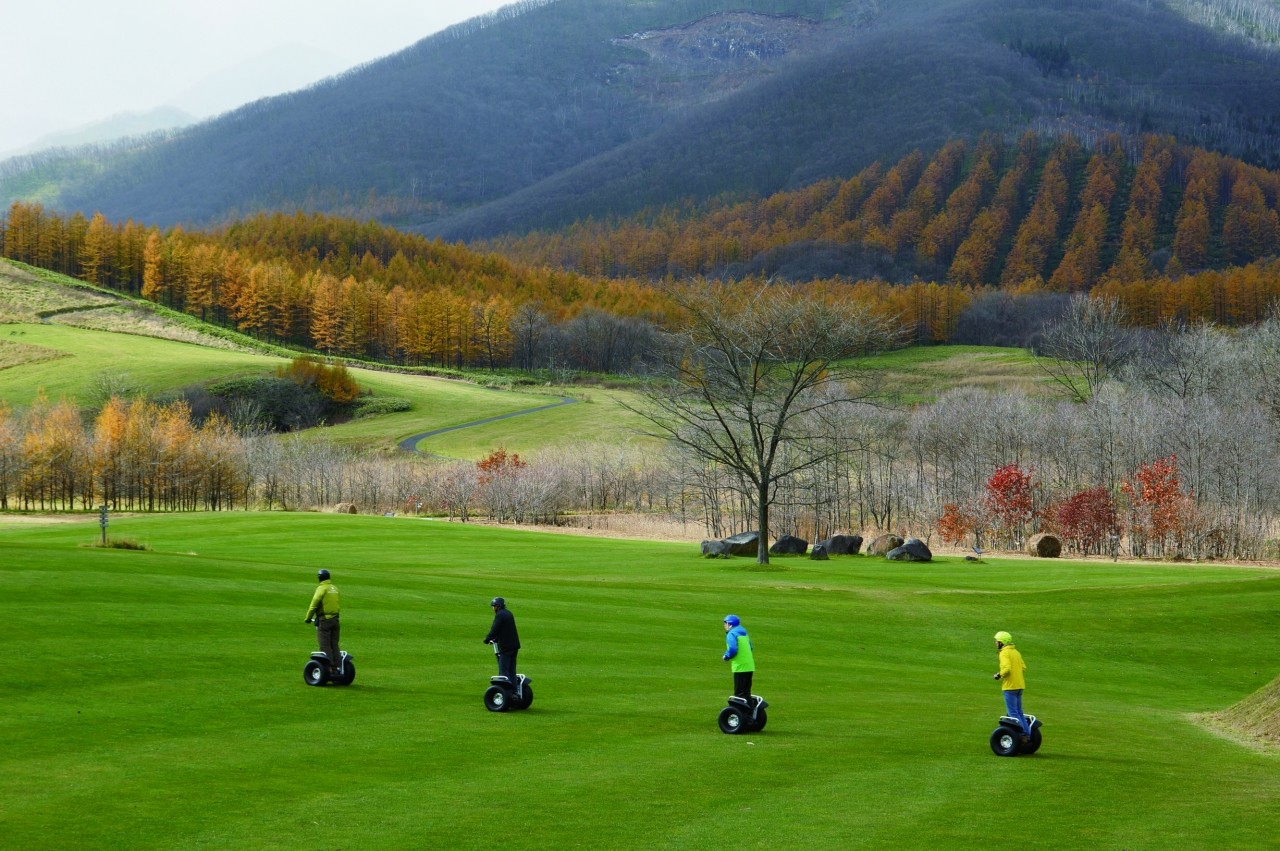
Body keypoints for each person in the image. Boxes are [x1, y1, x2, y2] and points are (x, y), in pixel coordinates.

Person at [993, 630, 1029, 741]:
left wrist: (998, 675)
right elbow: (1023, 667)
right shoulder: (1016, 652)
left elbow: (1006, 669)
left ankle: (1022, 735)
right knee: (1019, 712)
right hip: (1019, 685)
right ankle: (1027, 734)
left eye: (997, 641)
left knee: (1013, 713)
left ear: (1002, 642)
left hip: (1010, 687)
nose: (995, 643)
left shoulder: (1004, 653)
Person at [304, 569, 342, 672]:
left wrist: (308, 618)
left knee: (325, 646)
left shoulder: (321, 589)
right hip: (335, 620)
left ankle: (329, 668)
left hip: (325, 621)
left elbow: (314, 605)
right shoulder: (335, 588)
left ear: (319, 578)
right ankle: (338, 667)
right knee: (334, 645)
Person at [484, 597, 521, 683]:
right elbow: (505, 629)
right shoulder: (508, 613)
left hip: (506, 647)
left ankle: (507, 693)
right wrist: (496, 638)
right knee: (512, 671)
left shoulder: (500, 615)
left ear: (498, 606)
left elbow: (495, 629)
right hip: (514, 646)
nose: (493, 608)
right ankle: (515, 692)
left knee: (504, 672)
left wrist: (487, 639)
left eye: (494, 606)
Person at [722, 615, 756, 703]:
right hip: (750, 666)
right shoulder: (744, 634)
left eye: (725, 623)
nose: (724, 626)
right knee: (747, 693)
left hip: (740, 667)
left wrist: (726, 656)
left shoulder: (731, 634)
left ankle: (741, 715)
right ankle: (751, 713)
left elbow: (733, 649)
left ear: (730, 624)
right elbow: (751, 647)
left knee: (739, 694)